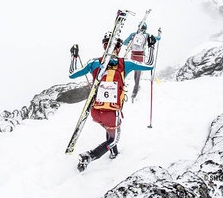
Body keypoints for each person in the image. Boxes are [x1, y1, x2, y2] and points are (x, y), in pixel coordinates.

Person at [69, 31, 154, 172]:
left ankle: (114, 154)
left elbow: (72, 74)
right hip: (112, 112)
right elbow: (150, 65)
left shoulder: (94, 63)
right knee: (113, 139)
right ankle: (89, 156)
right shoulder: (125, 63)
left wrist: (74, 56)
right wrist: (151, 46)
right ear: (119, 48)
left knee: (110, 130)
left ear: (104, 46)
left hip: (96, 111)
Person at [123, 23, 161, 100]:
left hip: (133, 56)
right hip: (140, 56)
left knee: (135, 73)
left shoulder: (133, 34)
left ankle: (136, 88)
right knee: (138, 75)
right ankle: (134, 93)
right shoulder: (147, 35)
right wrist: (159, 33)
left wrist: (130, 44)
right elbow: (158, 38)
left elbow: (124, 43)